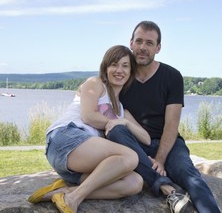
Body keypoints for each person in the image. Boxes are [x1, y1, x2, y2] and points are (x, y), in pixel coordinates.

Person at [107, 21, 222, 213]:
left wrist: (160, 159)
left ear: (158, 48)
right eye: (139, 41)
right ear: (131, 43)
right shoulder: (122, 75)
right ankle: (164, 187)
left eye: (150, 43)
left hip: (168, 144)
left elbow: (172, 123)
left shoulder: (172, 76)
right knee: (116, 130)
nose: (143, 47)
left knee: (188, 174)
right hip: (134, 144)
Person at [28, 45, 151, 213]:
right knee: (130, 156)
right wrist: (113, 123)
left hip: (76, 167)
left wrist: (125, 123)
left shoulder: (122, 111)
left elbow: (146, 138)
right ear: (106, 68)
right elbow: (88, 116)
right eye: (114, 64)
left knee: (135, 182)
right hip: (65, 138)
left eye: (125, 65)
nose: (119, 70)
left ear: (131, 71)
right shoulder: (95, 84)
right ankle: (73, 199)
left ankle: (65, 192)